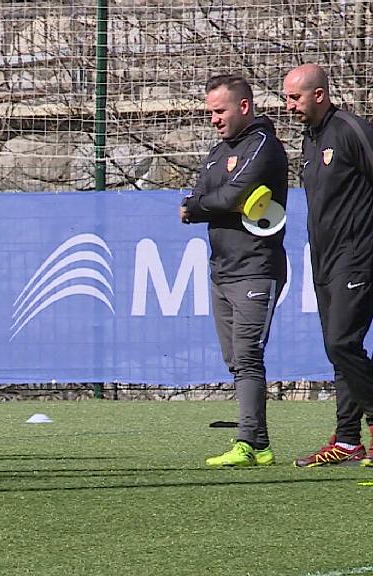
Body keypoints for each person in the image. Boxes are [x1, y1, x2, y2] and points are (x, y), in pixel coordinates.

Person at [180, 74, 288, 468]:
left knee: (247, 355)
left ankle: (246, 442)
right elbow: (198, 195)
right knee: (235, 359)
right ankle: (259, 445)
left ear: (244, 107)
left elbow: (227, 196)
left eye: (220, 110)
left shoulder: (264, 146)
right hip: (221, 269)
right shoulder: (215, 152)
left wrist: (200, 207)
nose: (213, 118)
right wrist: (204, 204)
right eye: (210, 111)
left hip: (256, 267)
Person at [284, 63, 373, 467]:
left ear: (318, 95)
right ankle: (349, 441)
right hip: (325, 261)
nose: (289, 106)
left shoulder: (351, 131)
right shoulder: (310, 140)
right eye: (287, 97)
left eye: (295, 97)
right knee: (339, 351)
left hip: (359, 256)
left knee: (341, 342)